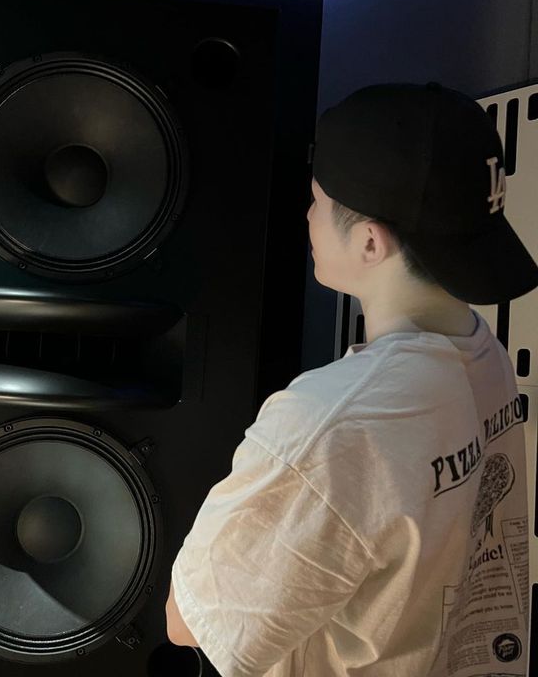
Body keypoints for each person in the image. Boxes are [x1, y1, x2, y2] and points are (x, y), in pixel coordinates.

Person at [165, 82, 536, 676]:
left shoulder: (332, 424)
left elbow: (190, 622)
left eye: (316, 199)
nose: (308, 215)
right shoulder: (483, 355)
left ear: (369, 241)